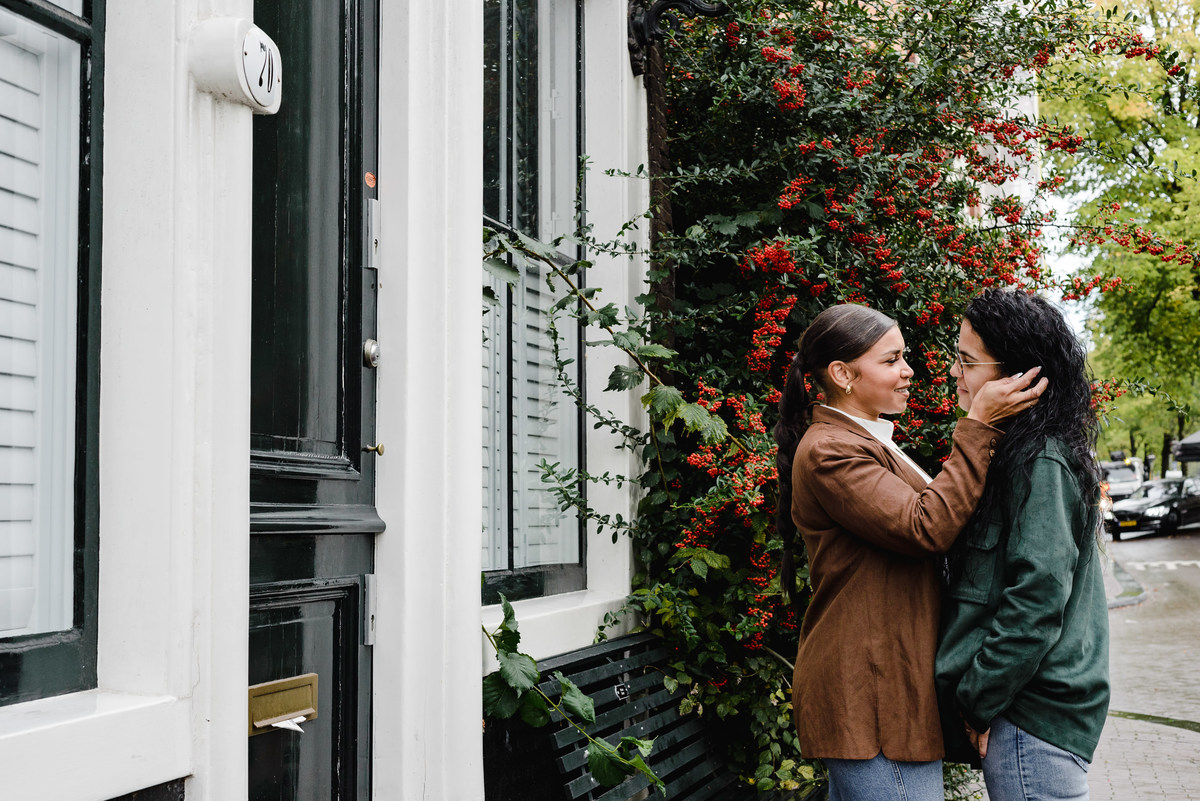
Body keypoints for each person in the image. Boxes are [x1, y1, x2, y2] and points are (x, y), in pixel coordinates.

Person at [774, 303, 1047, 801]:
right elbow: (926, 526)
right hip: (872, 694)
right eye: (892, 359)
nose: (909, 371)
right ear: (842, 374)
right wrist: (978, 423)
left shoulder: (869, 440)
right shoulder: (831, 450)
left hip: (885, 686)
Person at [935, 289, 1110, 801]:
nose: (953, 373)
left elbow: (1037, 599)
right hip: (1024, 712)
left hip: (1027, 715)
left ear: (1018, 375)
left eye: (966, 361)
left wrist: (977, 700)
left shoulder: (1041, 460)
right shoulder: (1020, 452)